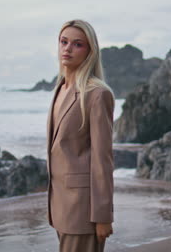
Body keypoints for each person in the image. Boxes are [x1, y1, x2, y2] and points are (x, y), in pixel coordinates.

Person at [46, 19, 115, 252]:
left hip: (84, 209)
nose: (67, 48)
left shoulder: (97, 95)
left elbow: (102, 159)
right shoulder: (60, 89)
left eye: (77, 44)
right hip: (61, 206)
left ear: (90, 51)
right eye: (64, 42)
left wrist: (103, 215)